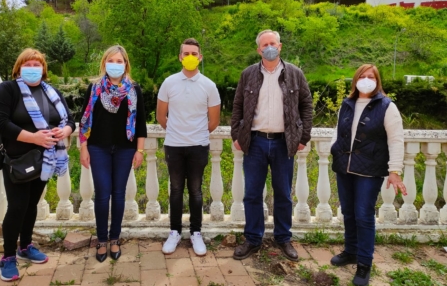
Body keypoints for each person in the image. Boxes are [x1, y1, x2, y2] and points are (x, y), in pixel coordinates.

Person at [0, 48, 76, 281]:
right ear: (18, 68)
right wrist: (34, 137)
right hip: (17, 159)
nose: (33, 68)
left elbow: (70, 120)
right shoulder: (7, 90)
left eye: (37, 64)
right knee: (17, 206)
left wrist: (64, 130)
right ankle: (7, 257)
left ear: (44, 69)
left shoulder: (51, 91)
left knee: (31, 205)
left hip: (45, 160)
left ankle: (25, 246)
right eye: (28, 64)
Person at [231, 30, 313, 261]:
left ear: (280, 46)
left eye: (273, 43)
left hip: (283, 143)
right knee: (252, 194)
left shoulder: (295, 74)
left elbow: (306, 105)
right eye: (264, 44)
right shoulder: (248, 74)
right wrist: (236, 134)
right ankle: (253, 239)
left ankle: (283, 238)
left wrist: (303, 137)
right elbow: (237, 105)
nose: (269, 47)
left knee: (284, 195)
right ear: (258, 49)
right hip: (255, 142)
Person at [330, 64, 406, 286]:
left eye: (370, 76)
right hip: (344, 167)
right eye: (362, 76)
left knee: (363, 215)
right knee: (349, 212)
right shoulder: (347, 103)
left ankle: (364, 263)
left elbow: (396, 139)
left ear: (377, 80)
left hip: (369, 170)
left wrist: (395, 171)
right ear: (355, 79)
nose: (366, 79)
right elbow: (338, 132)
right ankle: (351, 251)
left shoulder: (387, 106)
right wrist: (333, 150)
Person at [79, 45, 147, 263]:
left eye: (120, 61)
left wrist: (140, 150)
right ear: (104, 63)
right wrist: (83, 148)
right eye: (111, 60)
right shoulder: (94, 88)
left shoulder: (134, 89)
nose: (115, 65)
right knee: (102, 193)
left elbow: (141, 124)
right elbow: (84, 120)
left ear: (126, 64)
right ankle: (101, 240)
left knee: (118, 194)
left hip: (125, 149)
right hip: (98, 148)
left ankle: (115, 238)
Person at [157, 38, 221, 256]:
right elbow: (160, 116)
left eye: (194, 53)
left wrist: (197, 133)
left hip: (198, 145)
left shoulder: (209, 86)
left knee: (195, 191)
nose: (190, 57)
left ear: (200, 57)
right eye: (186, 53)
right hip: (174, 145)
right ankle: (174, 232)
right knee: (175, 190)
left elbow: (214, 121)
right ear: (180, 57)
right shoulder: (169, 83)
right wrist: (177, 131)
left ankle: (196, 233)